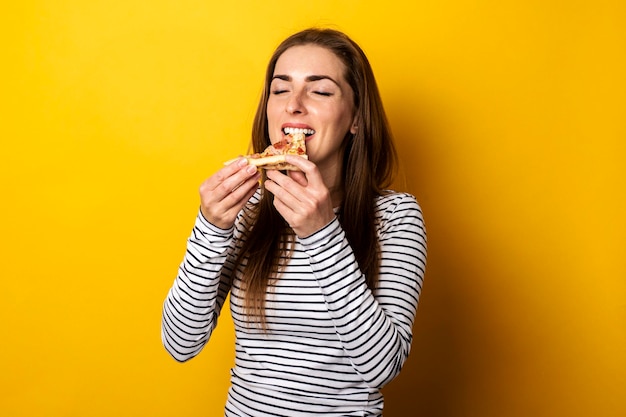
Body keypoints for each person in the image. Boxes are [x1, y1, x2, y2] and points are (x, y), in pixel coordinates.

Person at [161, 27, 427, 417]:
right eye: (280, 89)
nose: (294, 105)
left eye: (319, 91)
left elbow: (382, 367)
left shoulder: (395, 216)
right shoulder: (246, 207)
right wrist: (211, 228)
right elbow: (180, 344)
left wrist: (322, 235)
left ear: (355, 118)